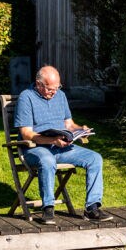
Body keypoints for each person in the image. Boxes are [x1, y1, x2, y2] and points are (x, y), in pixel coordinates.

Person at [15, 65, 113, 223]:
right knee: (47, 160)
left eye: (57, 87)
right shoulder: (26, 97)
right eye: (50, 89)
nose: (54, 92)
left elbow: (69, 124)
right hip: (36, 149)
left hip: (61, 146)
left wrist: (81, 129)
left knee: (95, 158)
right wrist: (51, 140)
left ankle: (92, 208)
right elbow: (26, 133)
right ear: (39, 84)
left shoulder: (60, 96)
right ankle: (48, 207)